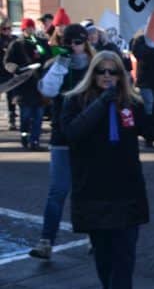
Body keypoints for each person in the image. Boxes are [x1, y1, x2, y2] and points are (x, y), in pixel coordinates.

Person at [62, 51, 154, 289]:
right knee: (103, 250)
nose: (107, 76)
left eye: (113, 72)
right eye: (101, 71)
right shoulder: (75, 101)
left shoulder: (131, 102)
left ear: (121, 75)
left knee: (125, 250)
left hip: (126, 187)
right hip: (93, 187)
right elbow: (72, 133)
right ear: (92, 74)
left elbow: (151, 131)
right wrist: (102, 103)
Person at [30, 24, 95, 261]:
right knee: (57, 191)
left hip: (88, 136)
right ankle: (46, 240)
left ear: (84, 42)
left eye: (76, 43)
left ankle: (93, 236)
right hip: (62, 136)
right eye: (68, 43)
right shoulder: (58, 65)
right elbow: (48, 90)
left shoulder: (95, 66)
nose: (72, 47)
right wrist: (60, 64)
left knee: (87, 189)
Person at [4, 18, 51, 150]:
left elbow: (46, 56)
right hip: (23, 87)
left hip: (39, 86)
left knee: (38, 117)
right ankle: (24, 136)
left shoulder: (40, 43)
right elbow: (8, 62)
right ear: (23, 30)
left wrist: (41, 53)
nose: (30, 31)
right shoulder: (16, 45)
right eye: (28, 29)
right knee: (25, 116)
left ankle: (34, 141)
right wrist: (15, 69)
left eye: (32, 28)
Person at [130, 32, 154, 149]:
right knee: (149, 108)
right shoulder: (141, 40)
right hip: (145, 81)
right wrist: (153, 48)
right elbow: (139, 53)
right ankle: (149, 137)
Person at [0, 19, 17, 130]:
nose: (7, 31)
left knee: (11, 97)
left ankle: (12, 120)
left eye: (9, 28)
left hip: (9, 72)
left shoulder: (14, 39)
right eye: (4, 28)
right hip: (0, 71)